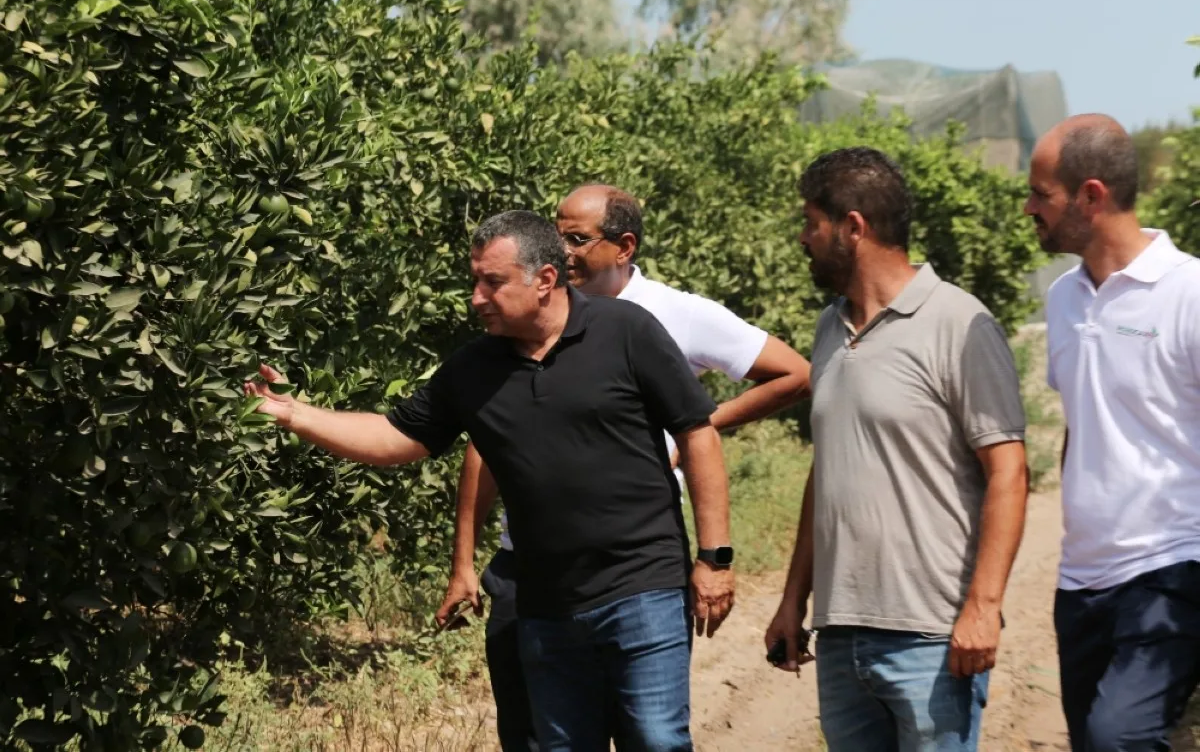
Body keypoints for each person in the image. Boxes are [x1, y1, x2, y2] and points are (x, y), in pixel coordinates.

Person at [244, 210, 734, 752]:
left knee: (658, 741)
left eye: (492, 282)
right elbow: (393, 437)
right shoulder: (473, 370)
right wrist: (294, 415)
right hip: (545, 605)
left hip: (644, 587)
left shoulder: (626, 331)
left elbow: (697, 435)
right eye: (474, 280)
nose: (476, 297)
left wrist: (714, 558)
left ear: (545, 279)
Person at [437, 185, 813, 750]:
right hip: (529, 573)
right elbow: (488, 438)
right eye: (555, 234)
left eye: (577, 238)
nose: (560, 250)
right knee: (537, 737)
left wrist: (693, 432)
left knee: (650, 735)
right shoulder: (529, 320)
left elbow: (794, 374)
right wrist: (464, 559)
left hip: (635, 570)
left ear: (624, 246)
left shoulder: (671, 316)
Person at [764, 147, 1029, 752]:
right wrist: (792, 601)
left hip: (930, 637)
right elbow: (826, 471)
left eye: (811, 223)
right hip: (840, 635)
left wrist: (984, 606)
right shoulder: (830, 329)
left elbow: (1009, 472)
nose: (803, 239)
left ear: (852, 227)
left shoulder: (960, 323)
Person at [1027, 113, 1200, 750]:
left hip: (1171, 569)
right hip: (1081, 582)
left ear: (1091, 196)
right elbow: (1086, 421)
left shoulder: (1190, 294)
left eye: (1040, 194)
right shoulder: (1063, 299)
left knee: (1115, 739)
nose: (1028, 209)